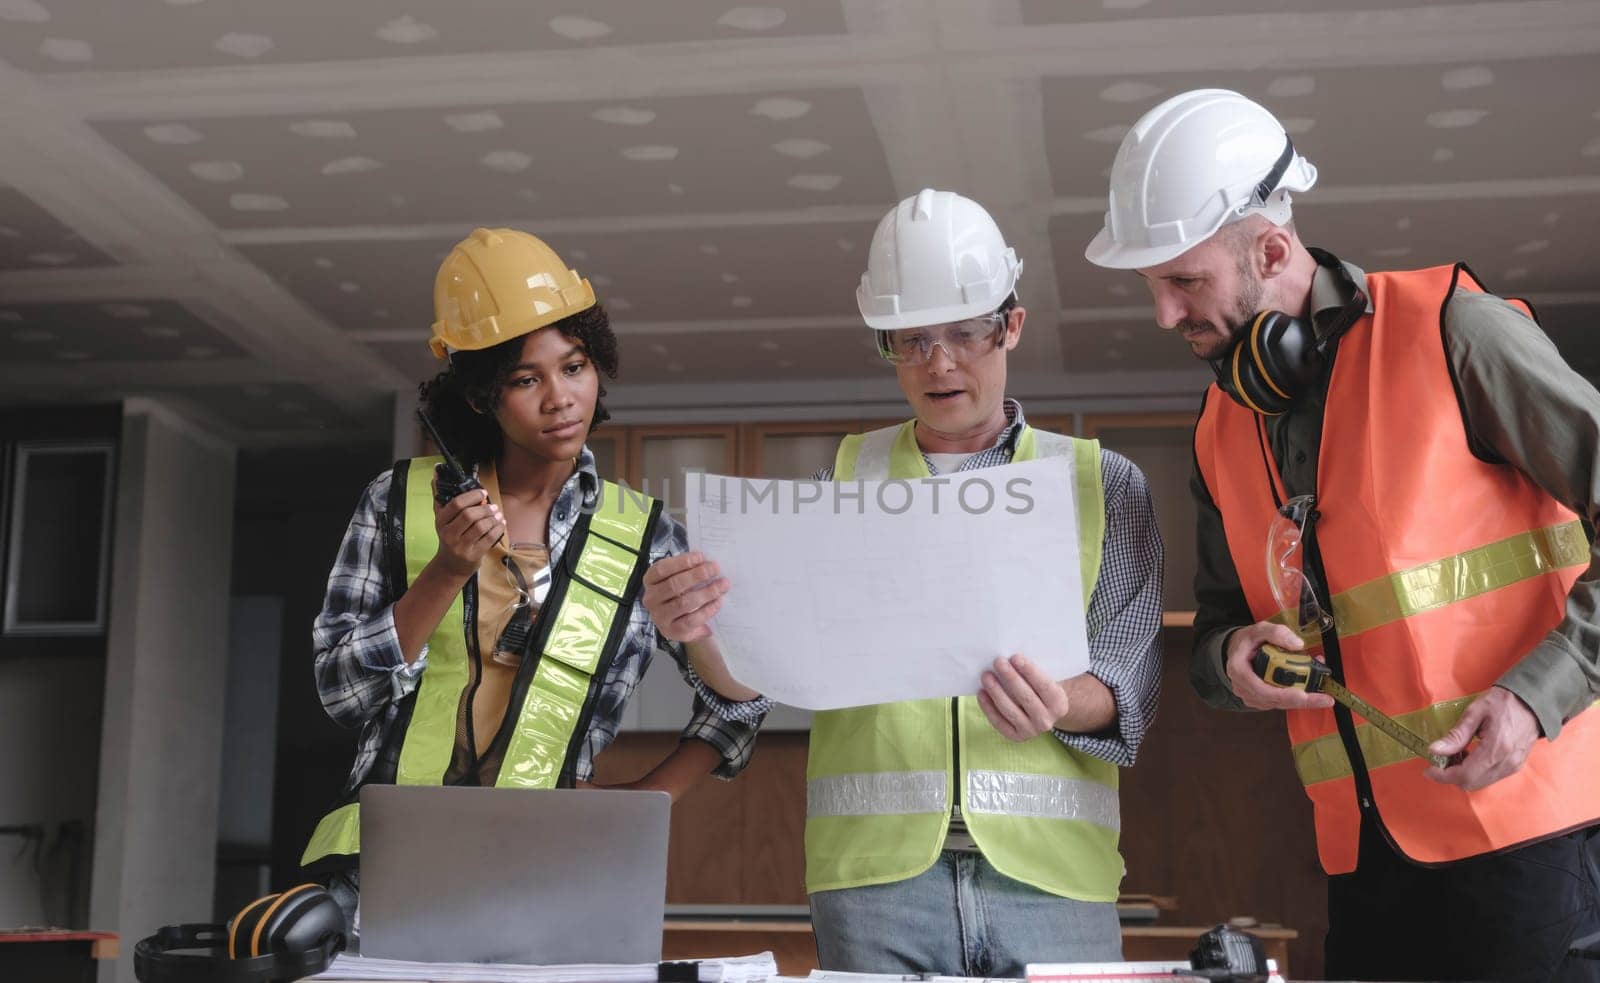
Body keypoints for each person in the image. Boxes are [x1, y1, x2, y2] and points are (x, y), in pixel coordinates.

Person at [1084, 88, 1600, 981]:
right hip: (1365, 866)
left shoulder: (1455, 334)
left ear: (1273, 249)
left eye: (1184, 281)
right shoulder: (1216, 429)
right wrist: (1232, 656)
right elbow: (1213, 635)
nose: (1165, 315)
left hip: (1533, 842)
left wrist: (1533, 697)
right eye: (1153, 288)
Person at [643, 189, 1164, 976]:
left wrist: (1063, 701)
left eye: (963, 332)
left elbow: (1128, 680)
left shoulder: (1100, 483)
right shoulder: (844, 482)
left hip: (1053, 880)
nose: (939, 362)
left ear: (1011, 325)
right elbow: (749, 686)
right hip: (875, 883)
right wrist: (700, 630)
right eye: (911, 339)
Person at [301, 227, 767, 938]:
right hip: (382, 873)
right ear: (483, 396)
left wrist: (643, 801)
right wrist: (447, 569)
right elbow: (340, 689)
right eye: (526, 378)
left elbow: (740, 700)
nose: (560, 398)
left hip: (554, 873)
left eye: (574, 366)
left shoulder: (646, 536)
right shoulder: (397, 502)